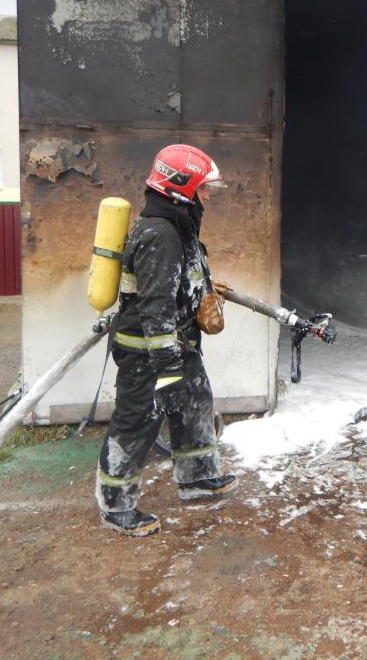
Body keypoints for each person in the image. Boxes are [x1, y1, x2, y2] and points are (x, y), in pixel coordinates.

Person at [95, 143, 238, 537]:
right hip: (149, 351)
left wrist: (204, 291)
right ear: (181, 188)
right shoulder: (161, 235)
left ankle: (197, 478)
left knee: (195, 403)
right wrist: (168, 370)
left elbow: (176, 287)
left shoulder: (178, 226)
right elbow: (156, 309)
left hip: (178, 343)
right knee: (137, 421)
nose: (208, 196)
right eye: (204, 188)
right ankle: (116, 506)